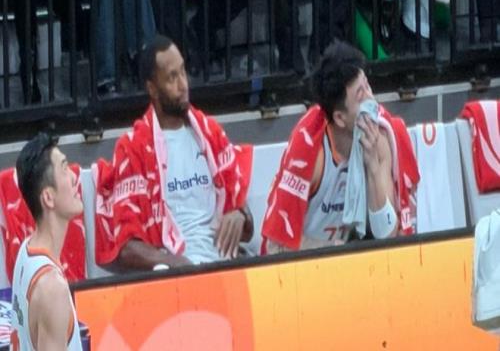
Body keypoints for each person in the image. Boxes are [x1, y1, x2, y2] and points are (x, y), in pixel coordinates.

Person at [94, 35, 253, 270]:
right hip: (178, 273)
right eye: (172, 77)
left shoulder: (210, 133)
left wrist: (240, 214)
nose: (183, 85)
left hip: (228, 266)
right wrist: (177, 264)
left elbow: (248, 229)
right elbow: (126, 248)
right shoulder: (133, 148)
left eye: (183, 72)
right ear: (152, 89)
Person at [261, 41, 419, 253]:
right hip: (307, 261)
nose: (372, 100)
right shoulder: (310, 152)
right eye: (361, 95)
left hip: (349, 255)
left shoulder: (380, 134)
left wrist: (373, 168)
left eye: (368, 86)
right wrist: (331, 251)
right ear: (340, 118)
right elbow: (276, 246)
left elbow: (388, 235)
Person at [10, 133, 83, 350]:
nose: (74, 177)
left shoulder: (26, 250)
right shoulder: (52, 288)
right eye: (65, 168)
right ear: (48, 198)